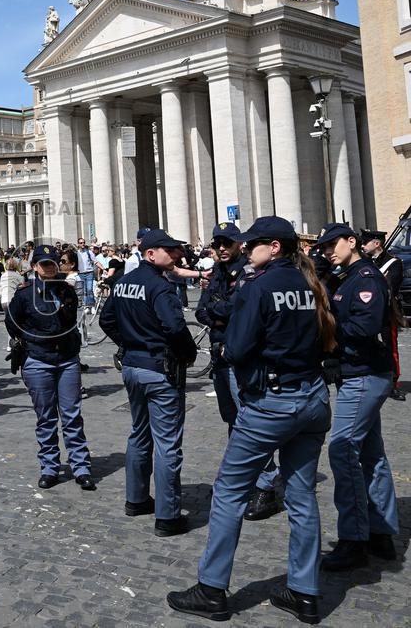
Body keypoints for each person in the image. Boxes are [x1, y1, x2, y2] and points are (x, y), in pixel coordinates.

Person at [167, 216, 335, 624]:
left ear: (273, 247)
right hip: (312, 395)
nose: (247, 249)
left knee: (228, 492)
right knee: (300, 495)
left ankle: (211, 588)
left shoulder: (259, 287)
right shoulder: (312, 284)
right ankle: (304, 590)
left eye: (253, 243)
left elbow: (239, 347)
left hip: (272, 401)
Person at [99, 229, 197, 538]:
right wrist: (189, 354)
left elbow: (106, 320)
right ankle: (168, 515)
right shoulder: (160, 287)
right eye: (170, 250)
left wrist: (126, 344)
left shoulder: (125, 283)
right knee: (167, 442)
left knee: (139, 434)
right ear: (151, 254)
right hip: (160, 368)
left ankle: (137, 498)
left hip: (132, 366)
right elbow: (175, 327)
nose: (177, 255)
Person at [314, 223, 400, 571]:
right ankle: (381, 531)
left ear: (353, 242)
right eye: (322, 247)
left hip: (364, 373)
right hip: (360, 372)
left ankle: (353, 538)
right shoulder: (346, 276)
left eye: (332, 244)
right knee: (370, 452)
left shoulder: (364, 278)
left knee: (343, 448)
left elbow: (363, 329)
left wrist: (325, 332)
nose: (327, 251)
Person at [195, 222, 280, 521]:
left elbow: (236, 311)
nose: (220, 248)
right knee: (233, 421)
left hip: (240, 359)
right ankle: (240, 479)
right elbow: (201, 310)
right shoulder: (217, 273)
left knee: (251, 422)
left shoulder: (249, 273)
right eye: (217, 243)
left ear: (238, 245)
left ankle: (265, 485)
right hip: (219, 357)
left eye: (226, 243)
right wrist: (221, 311)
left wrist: (220, 311)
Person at [5, 244, 93, 490]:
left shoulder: (66, 291)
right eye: (44, 263)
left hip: (66, 358)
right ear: (35, 267)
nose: (49, 267)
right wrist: (30, 342)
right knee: (46, 417)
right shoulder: (24, 294)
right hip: (38, 360)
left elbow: (70, 320)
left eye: (53, 263)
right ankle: (50, 466)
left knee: (72, 415)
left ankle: (81, 466)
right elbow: (12, 323)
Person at [360, 229, 405, 401]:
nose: (363, 246)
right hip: (368, 311)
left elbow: (389, 287)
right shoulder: (365, 262)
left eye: (366, 242)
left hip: (387, 312)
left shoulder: (394, 263)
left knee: (390, 347)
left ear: (377, 244)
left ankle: (393, 383)